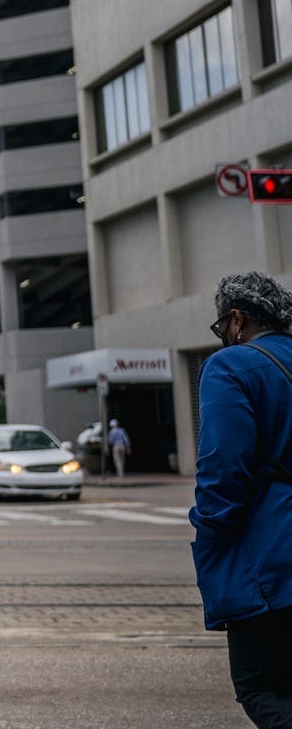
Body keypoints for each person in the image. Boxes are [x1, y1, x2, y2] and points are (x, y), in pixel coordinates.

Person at [191, 271, 292, 727]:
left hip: (272, 560)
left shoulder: (230, 366)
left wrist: (209, 527)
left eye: (220, 329)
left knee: (259, 684)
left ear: (235, 320)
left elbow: (223, 468)